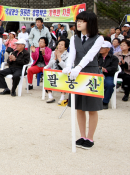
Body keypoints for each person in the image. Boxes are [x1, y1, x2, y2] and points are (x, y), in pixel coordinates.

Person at [62, 11, 104, 150]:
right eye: (78, 20)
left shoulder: (99, 38)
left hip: (91, 73)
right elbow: (72, 54)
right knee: (79, 107)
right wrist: (68, 67)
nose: (78, 23)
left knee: (92, 108)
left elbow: (90, 56)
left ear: (90, 23)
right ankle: (82, 136)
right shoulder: (75, 38)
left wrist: (78, 67)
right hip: (76, 75)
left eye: (82, 21)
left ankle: (90, 137)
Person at [45, 39, 70, 104]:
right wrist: (55, 58)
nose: (59, 46)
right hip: (54, 72)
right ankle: (50, 96)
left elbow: (66, 67)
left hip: (63, 73)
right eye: (59, 44)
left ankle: (62, 97)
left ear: (66, 47)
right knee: (48, 75)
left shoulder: (68, 55)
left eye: (62, 45)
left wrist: (59, 59)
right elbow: (49, 65)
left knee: (64, 77)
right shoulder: (53, 53)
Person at [97, 41, 119, 109]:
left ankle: (105, 102)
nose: (101, 49)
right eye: (100, 47)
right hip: (97, 75)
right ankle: (92, 102)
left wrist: (105, 69)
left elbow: (114, 68)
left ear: (108, 49)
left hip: (108, 75)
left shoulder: (114, 58)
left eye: (103, 48)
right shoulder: (96, 57)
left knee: (109, 84)